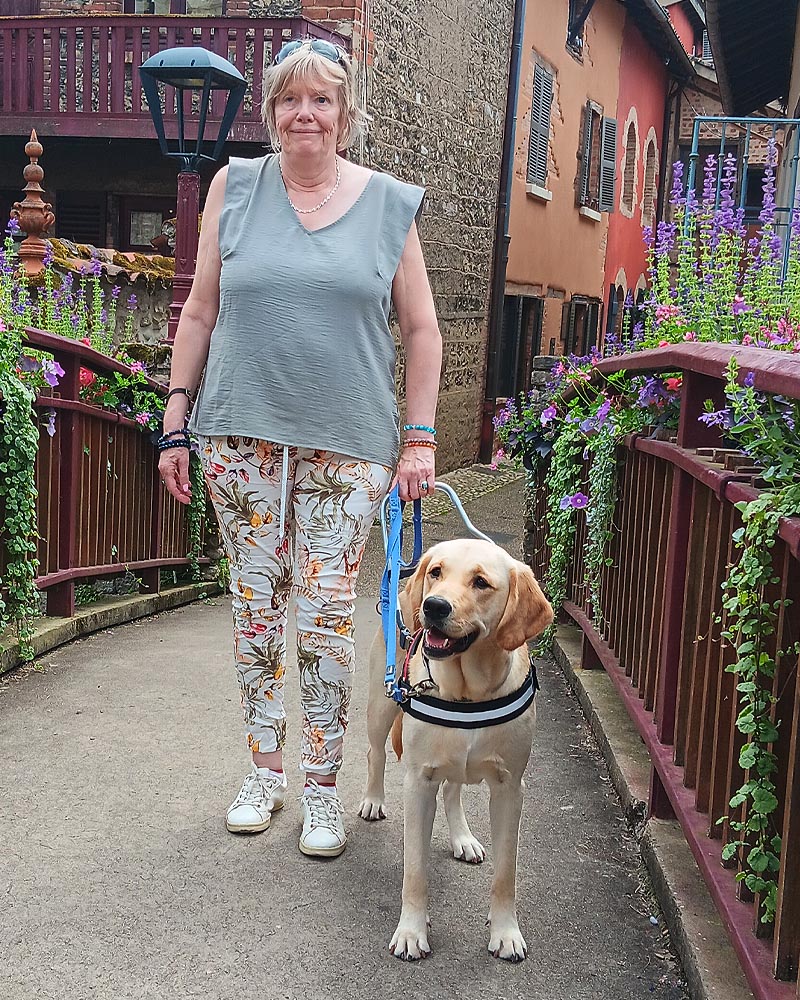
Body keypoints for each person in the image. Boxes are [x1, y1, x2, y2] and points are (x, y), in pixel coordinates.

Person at [157, 38, 442, 858]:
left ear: (345, 116)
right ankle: (265, 773)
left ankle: (322, 789)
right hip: (238, 436)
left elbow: (421, 330)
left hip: (349, 443)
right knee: (254, 614)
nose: (304, 114)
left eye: (321, 101)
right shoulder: (235, 189)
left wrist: (419, 436)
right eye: (290, 100)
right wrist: (176, 419)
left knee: (322, 617)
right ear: (272, 111)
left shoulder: (389, 203)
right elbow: (202, 312)